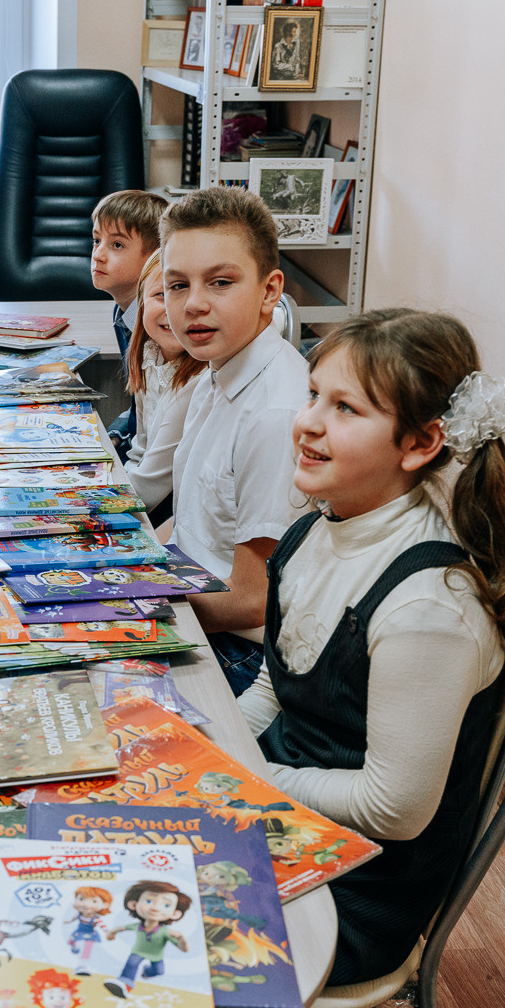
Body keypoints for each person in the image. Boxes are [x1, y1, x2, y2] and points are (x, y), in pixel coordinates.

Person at [238, 308, 505, 986]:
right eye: (314, 393)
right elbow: (272, 686)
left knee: (133, 914)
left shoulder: (427, 607)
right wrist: (212, 746)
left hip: (356, 892)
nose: (308, 421)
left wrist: (243, 781)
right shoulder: (316, 530)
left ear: (420, 443)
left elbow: (393, 808)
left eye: (345, 407)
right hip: (290, 819)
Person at [160, 186, 304, 695]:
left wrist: (139, 606)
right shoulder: (214, 370)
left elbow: (251, 602)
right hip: (192, 599)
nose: (194, 303)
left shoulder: (274, 413)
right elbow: (198, 520)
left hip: (238, 654)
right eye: (177, 286)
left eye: (220, 282)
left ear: (269, 291)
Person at [121, 248, 205, 517]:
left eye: (181, 293)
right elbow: (140, 451)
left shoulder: (197, 382)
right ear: (141, 303)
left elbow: (150, 485)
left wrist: (90, 507)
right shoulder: (150, 357)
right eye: (160, 295)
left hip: (172, 510)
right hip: (145, 496)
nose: (172, 309)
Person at [90, 190, 165, 358]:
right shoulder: (124, 311)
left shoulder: (160, 323)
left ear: (154, 256)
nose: (97, 256)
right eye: (97, 241)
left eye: (117, 245)